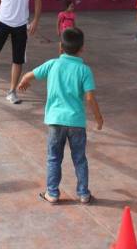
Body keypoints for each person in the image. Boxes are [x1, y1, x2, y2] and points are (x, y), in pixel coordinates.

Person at [17, 27, 103, 205]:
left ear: (60, 47)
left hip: (55, 121)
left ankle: (52, 193)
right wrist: (98, 118)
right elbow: (89, 97)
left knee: (54, 158)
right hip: (76, 122)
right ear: (82, 48)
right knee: (79, 159)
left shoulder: (52, 64)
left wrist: (24, 81)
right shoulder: (84, 70)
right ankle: (83, 194)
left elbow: (30, 75)